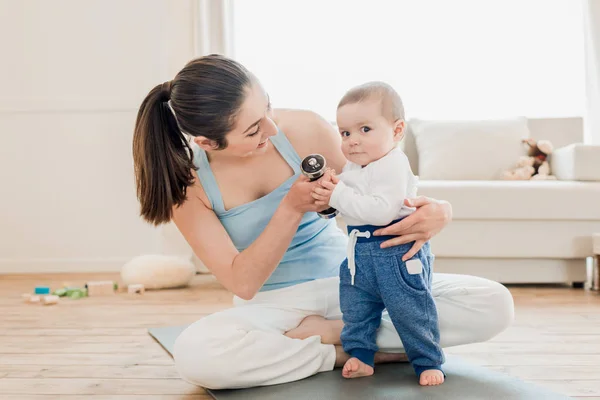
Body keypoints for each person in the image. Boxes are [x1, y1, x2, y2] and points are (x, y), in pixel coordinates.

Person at [132, 54, 514, 390]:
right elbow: (243, 283)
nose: (272, 128)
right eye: (253, 130)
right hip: (277, 306)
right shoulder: (188, 186)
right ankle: (351, 349)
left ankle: (341, 337)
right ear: (207, 142)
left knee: (493, 303)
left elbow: (379, 192)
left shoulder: (305, 128)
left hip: (354, 279)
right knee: (196, 356)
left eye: (267, 108)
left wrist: (438, 210)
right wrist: (291, 207)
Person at [312, 82, 443, 385]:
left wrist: (337, 195)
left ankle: (427, 361)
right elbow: (348, 205)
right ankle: (360, 355)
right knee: (356, 310)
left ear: (397, 131)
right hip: (359, 254)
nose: (353, 141)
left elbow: (381, 211)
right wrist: (328, 198)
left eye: (365, 129)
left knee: (411, 310)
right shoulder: (355, 166)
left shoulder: (393, 165)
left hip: (395, 255)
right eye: (345, 133)